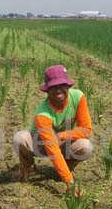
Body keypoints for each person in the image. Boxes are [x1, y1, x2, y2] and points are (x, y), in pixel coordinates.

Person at [12, 65, 93, 195]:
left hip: (64, 142)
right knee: (20, 138)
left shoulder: (78, 97)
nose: (58, 90)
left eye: (62, 85)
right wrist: (69, 182)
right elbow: (52, 148)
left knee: (85, 146)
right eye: (53, 87)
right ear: (47, 90)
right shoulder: (42, 114)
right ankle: (28, 167)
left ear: (68, 86)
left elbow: (86, 129)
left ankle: (63, 169)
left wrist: (62, 136)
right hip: (42, 143)